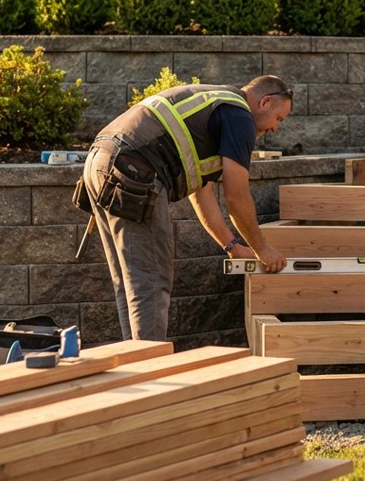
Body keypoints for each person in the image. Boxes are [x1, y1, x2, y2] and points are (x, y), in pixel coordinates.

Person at [79, 75, 292, 341]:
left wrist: (233, 247)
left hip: (101, 163)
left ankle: (137, 363)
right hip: (132, 172)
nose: (275, 129)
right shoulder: (240, 116)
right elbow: (237, 196)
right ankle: (151, 370)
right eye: (279, 119)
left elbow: (201, 194)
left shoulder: (215, 108)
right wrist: (262, 249)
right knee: (151, 283)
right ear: (265, 101)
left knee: (131, 283)